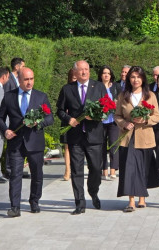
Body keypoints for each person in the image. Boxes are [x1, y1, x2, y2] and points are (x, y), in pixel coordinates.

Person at [0, 67, 54, 217]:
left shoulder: (41, 96)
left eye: (32, 79)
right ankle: (15, 207)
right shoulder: (9, 97)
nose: (29, 82)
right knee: (15, 175)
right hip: (16, 143)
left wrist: (38, 123)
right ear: (19, 80)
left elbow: (50, 118)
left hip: (35, 142)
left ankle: (34, 201)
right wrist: (5, 130)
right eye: (26, 79)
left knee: (37, 174)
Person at [56, 60, 107, 215]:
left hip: (94, 136)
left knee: (96, 169)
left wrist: (97, 116)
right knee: (77, 170)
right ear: (75, 72)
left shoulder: (98, 87)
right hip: (75, 137)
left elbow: (108, 108)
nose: (84, 72)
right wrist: (68, 119)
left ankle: (93, 191)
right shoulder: (67, 89)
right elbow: (59, 110)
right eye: (81, 70)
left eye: (86, 69)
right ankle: (80, 203)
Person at [115, 66, 159, 212]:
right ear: (129, 79)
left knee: (142, 168)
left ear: (143, 79)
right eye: (132, 77)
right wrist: (124, 123)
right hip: (127, 137)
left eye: (138, 77)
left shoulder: (150, 95)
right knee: (129, 168)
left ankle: (142, 198)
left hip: (144, 136)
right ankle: (131, 201)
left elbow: (157, 116)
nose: (135, 80)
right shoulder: (123, 95)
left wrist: (145, 119)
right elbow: (117, 116)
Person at [97, 65, 121, 180]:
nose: (106, 75)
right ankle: (104, 170)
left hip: (113, 120)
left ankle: (113, 170)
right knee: (101, 145)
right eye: (104, 73)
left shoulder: (116, 86)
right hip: (101, 121)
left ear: (111, 75)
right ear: (101, 75)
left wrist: (116, 103)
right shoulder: (96, 87)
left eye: (108, 73)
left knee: (114, 145)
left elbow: (122, 100)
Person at [60, 69, 77, 181]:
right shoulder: (66, 89)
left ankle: (75, 169)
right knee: (67, 146)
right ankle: (67, 170)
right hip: (67, 120)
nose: (76, 79)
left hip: (78, 121)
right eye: (74, 77)